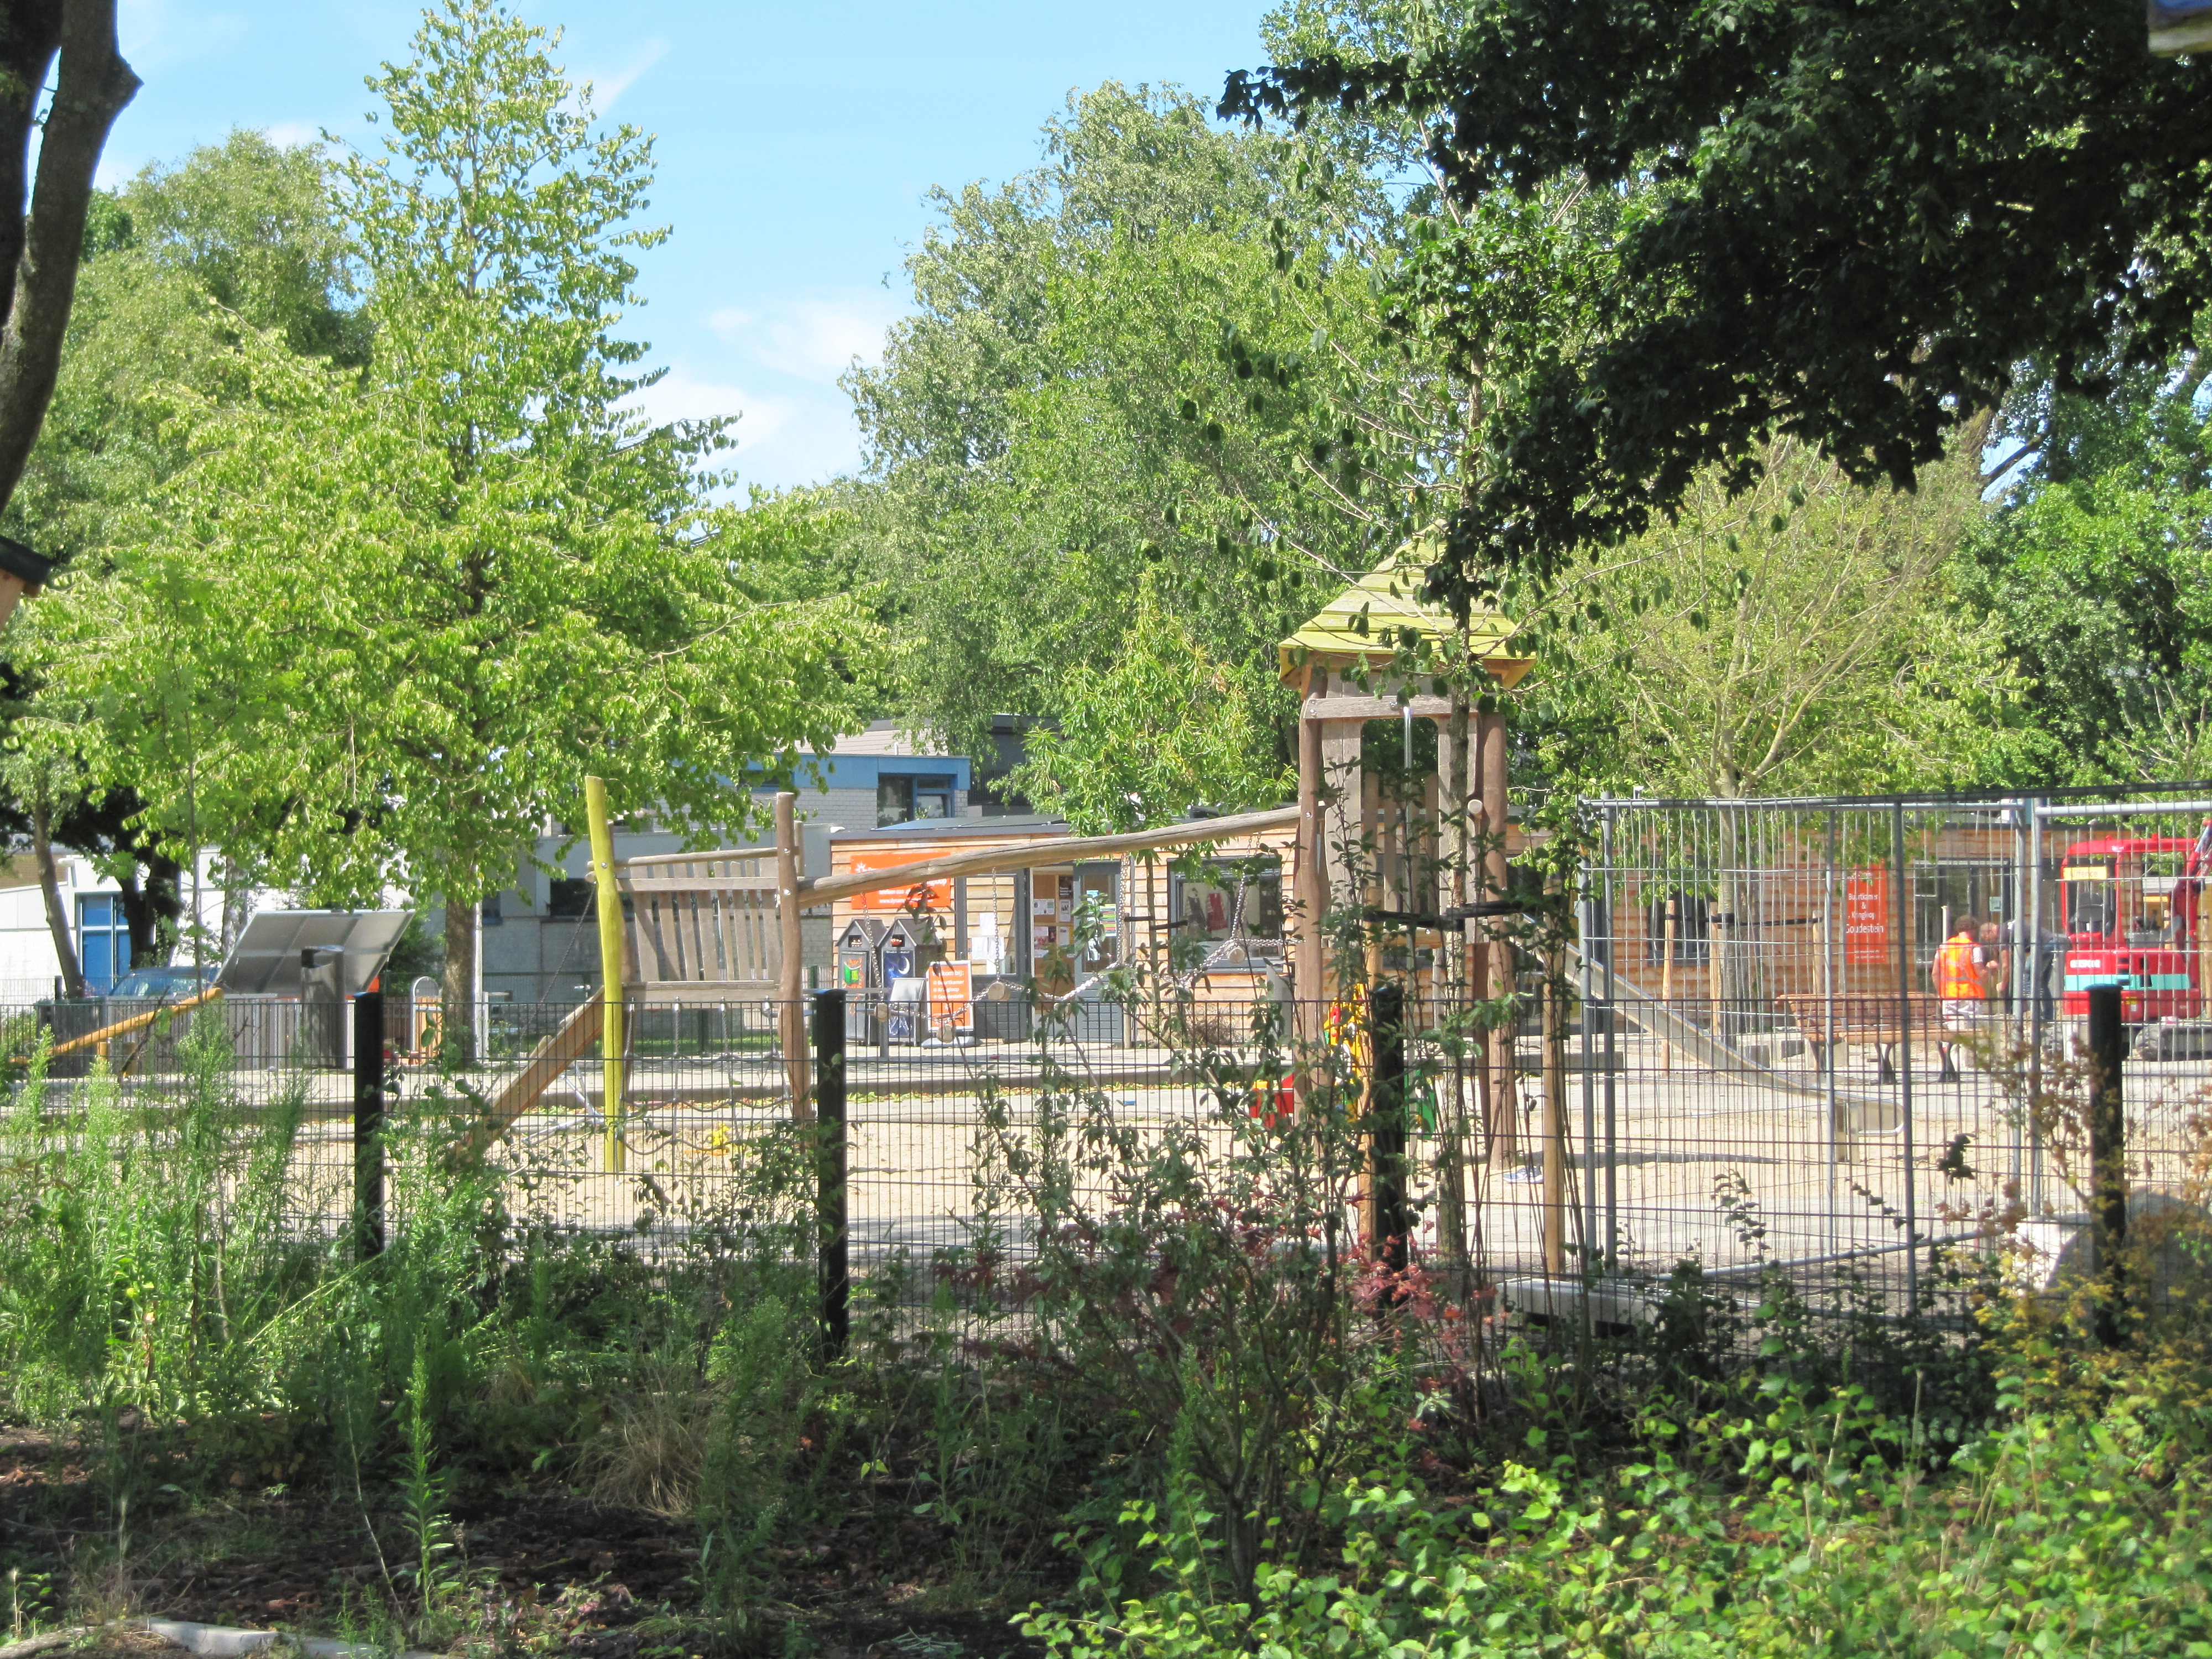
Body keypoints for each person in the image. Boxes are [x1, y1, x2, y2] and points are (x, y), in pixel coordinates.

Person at [1931, 915, 1986, 1082]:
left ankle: (1950, 1066)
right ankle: (1965, 1067)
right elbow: (1979, 973)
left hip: (1948, 996)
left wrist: (1941, 991)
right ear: (1973, 929)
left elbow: (1935, 973)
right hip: (1968, 996)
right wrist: (1989, 969)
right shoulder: (1973, 948)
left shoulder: (1944, 947)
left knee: (1950, 1031)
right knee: (1969, 1032)